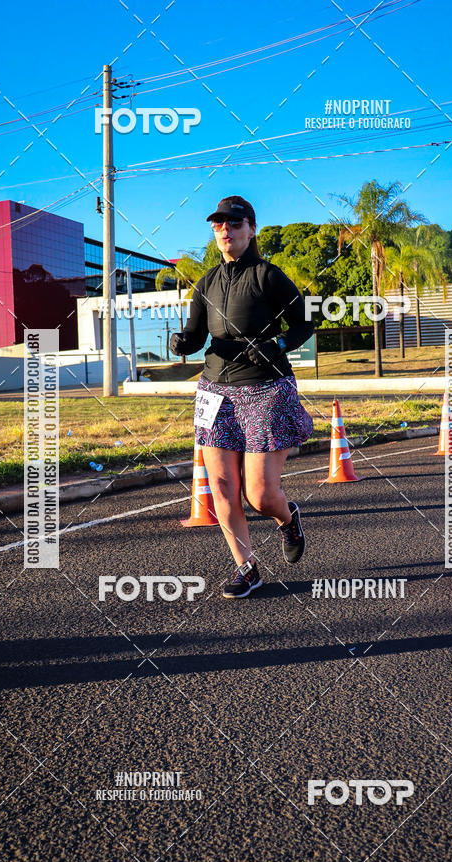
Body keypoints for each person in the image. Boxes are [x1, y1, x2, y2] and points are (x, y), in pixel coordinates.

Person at [170, 196, 314, 598]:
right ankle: (246, 568)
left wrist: (279, 343)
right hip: (215, 390)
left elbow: (305, 322)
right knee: (220, 486)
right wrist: (181, 342)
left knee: (260, 495)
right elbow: (196, 336)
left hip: (265, 389)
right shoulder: (206, 283)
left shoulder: (269, 276)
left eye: (233, 224)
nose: (224, 231)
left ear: (251, 228)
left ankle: (288, 520)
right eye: (218, 225)